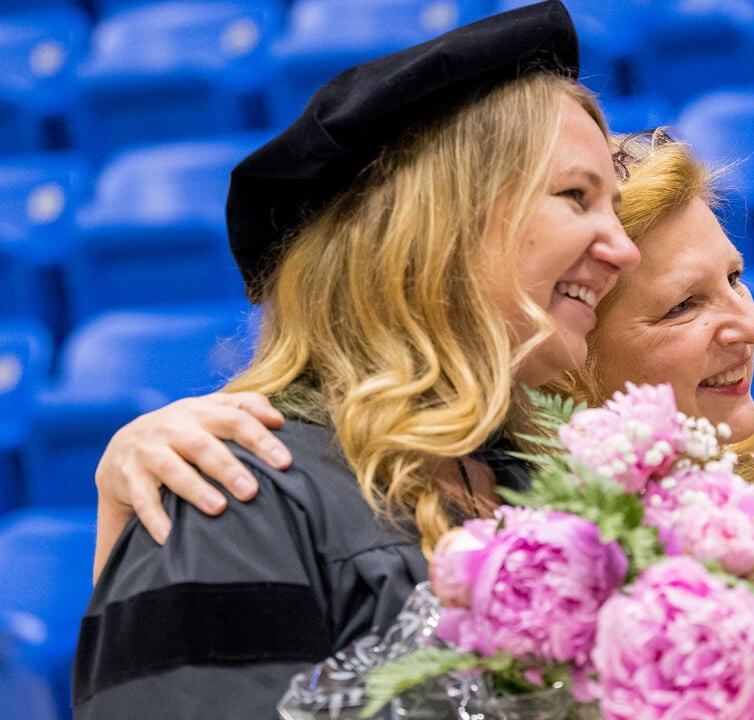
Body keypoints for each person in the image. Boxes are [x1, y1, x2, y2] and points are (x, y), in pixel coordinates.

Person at [75, 3, 641, 717]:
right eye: (575, 198)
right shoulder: (238, 496)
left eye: (613, 209)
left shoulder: (542, 484)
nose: (623, 250)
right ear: (437, 229)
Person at [90, 127, 754, 564]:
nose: (753, 325)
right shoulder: (505, 520)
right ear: (570, 345)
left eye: (736, 277)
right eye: (683, 306)